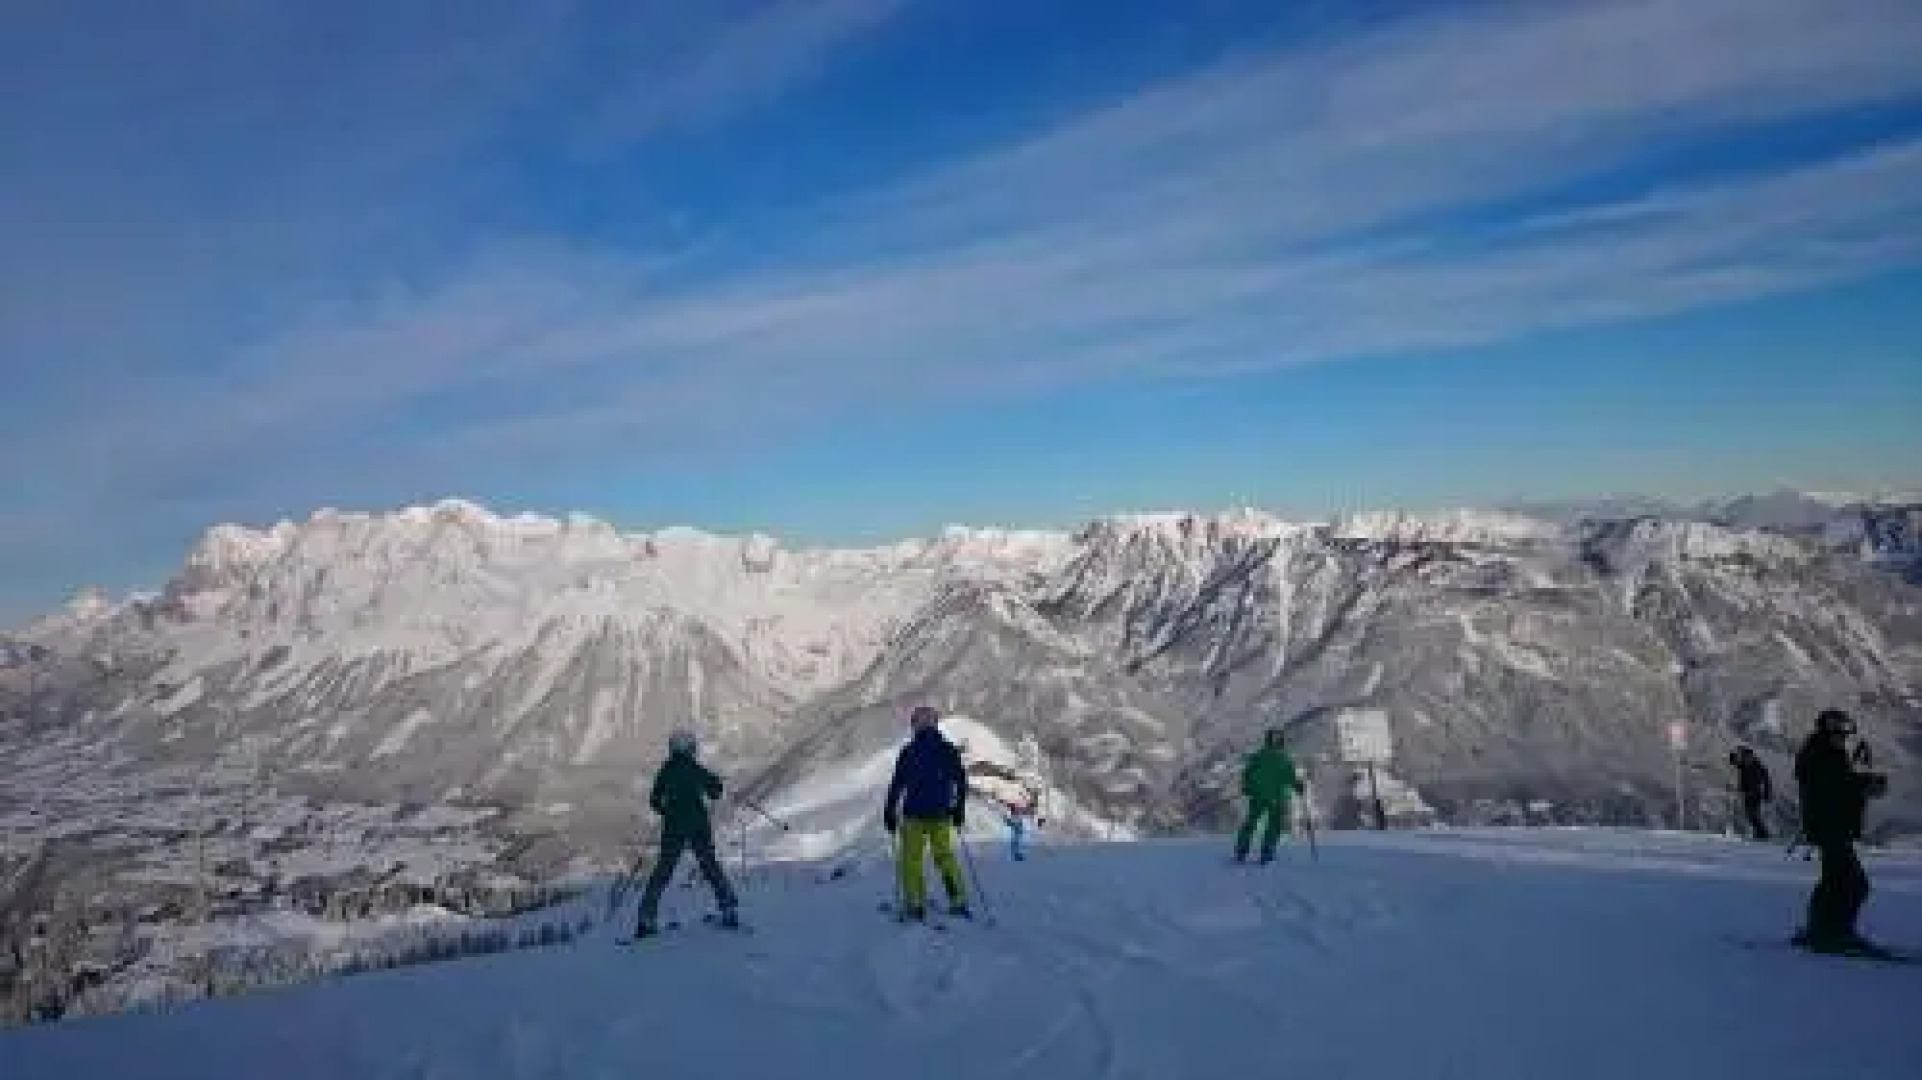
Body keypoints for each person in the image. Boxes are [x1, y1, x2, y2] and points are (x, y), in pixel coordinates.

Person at [1792, 709, 1889, 955]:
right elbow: (1833, 788)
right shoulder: (1820, 754)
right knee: (1851, 883)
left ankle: (1821, 930)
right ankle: (1835, 932)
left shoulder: (1825, 752)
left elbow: (1838, 782)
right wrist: (1864, 784)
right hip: (1830, 826)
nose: (1842, 737)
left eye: (1844, 732)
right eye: (1838, 731)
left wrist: (1861, 782)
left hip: (1832, 826)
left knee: (1835, 881)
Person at [632, 729, 739, 938]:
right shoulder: (695, 768)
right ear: (689, 748)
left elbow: (654, 801)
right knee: (709, 865)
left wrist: (668, 811)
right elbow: (715, 791)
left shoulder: (665, 771)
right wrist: (715, 783)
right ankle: (728, 909)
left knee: (663, 871)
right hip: (699, 825)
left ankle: (646, 919)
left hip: (673, 828)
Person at [883, 705, 972, 921]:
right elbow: (961, 782)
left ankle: (915, 904)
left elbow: (897, 785)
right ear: (934, 724)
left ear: (917, 725)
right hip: (941, 814)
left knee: (910, 860)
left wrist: (889, 811)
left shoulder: (908, 752)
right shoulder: (948, 750)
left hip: (913, 815)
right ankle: (958, 900)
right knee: (944, 857)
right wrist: (959, 810)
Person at [1235, 728, 1305, 864]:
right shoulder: (1285, 759)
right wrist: (1299, 786)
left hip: (1258, 796)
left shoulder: (1258, 756)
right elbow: (1291, 778)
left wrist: (1247, 788)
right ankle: (1267, 852)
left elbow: (1247, 775)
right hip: (1278, 798)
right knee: (1274, 825)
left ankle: (1241, 850)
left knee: (1251, 822)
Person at [1728, 745, 1773, 840]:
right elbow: (1734, 763)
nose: (1745, 759)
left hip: (1755, 793)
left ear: (1751, 756)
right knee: (1750, 815)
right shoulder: (1745, 766)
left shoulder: (1757, 766)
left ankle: (1762, 834)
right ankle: (1760, 834)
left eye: (1746, 756)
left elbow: (1767, 780)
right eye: (1744, 757)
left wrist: (1767, 793)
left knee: (1753, 814)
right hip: (1747, 793)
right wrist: (1732, 755)